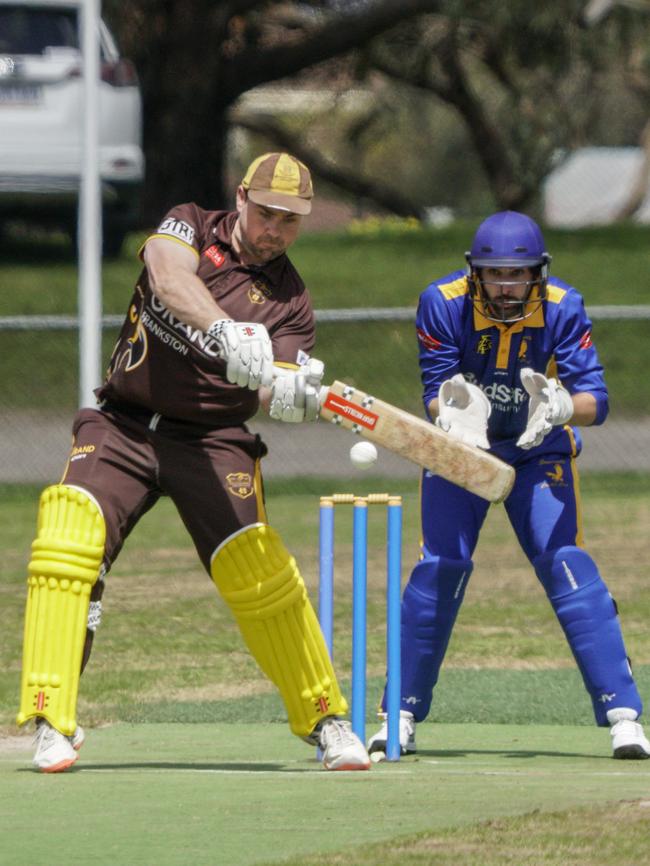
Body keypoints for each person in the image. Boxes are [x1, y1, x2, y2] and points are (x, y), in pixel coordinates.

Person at [17, 151, 370, 773]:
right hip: (123, 423)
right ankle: (51, 720)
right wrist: (225, 330)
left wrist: (286, 393)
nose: (276, 231)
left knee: (259, 569)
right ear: (240, 199)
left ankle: (327, 721)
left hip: (212, 439)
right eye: (267, 214)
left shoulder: (291, 302)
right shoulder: (188, 225)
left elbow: (271, 386)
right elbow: (167, 277)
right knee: (67, 538)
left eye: (291, 221)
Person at [368, 210, 650, 761]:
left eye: (516, 275)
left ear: (537, 274)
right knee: (440, 567)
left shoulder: (564, 305)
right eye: (494, 274)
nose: (505, 286)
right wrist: (453, 416)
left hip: (538, 448)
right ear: (475, 272)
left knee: (564, 559)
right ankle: (398, 713)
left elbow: (599, 400)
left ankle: (624, 717)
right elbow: (434, 388)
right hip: (462, 450)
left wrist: (565, 405)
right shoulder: (442, 301)